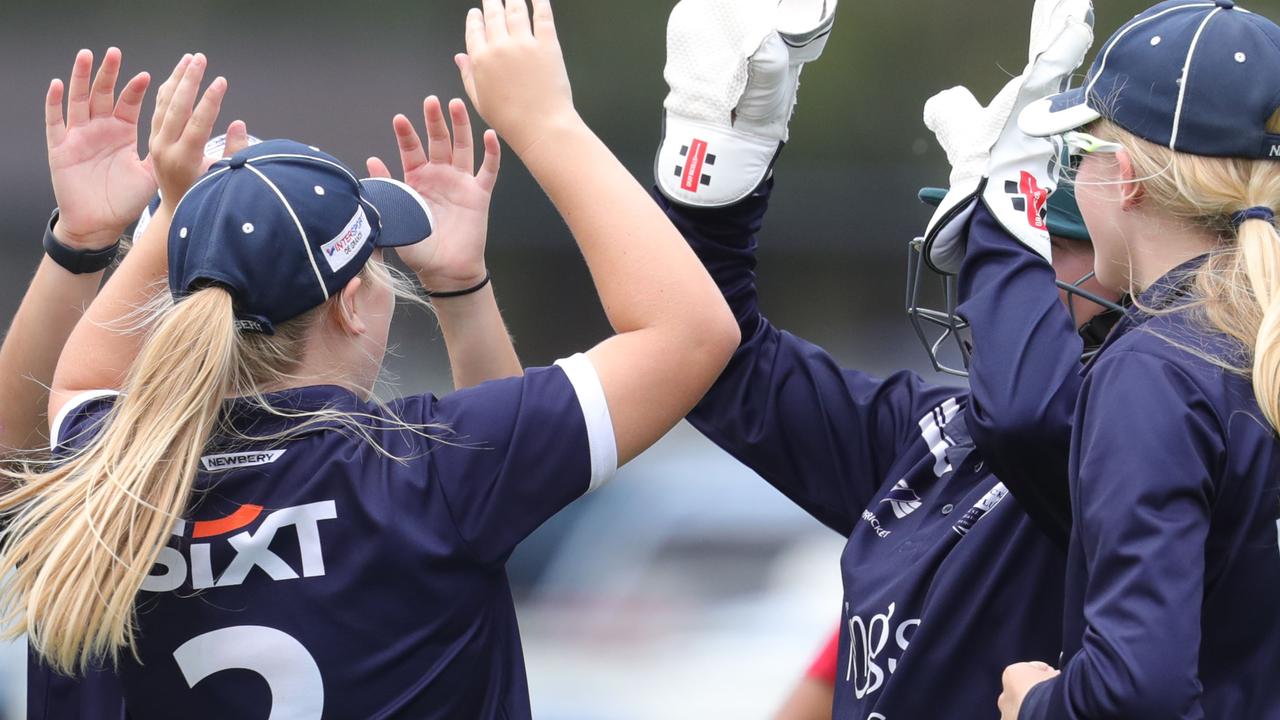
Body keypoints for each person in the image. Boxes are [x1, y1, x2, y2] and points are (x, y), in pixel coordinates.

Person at [1, 2, 740, 718]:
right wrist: (544, 126)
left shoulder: (109, 481)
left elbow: (70, 389)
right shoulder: (430, 472)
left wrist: (149, 221)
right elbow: (691, 333)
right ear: (351, 304)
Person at [654, 0, 1109, 716]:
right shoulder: (941, 435)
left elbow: (1035, 423)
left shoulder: (1142, 445)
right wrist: (716, 169)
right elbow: (713, 363)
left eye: (1003, 243)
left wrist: (1014, 201)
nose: (971, 275)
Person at [999, 1, 1280, 717]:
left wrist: (1038, 705)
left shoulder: (1157, 370)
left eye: (1074, 157)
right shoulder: (1248, 341)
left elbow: (1138, 688)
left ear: (1120, 177)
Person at [775, 179, 1120, 720]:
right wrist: (713, 207)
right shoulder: (945, 430)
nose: (985, 280)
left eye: (1030, 250)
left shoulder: (1124, 446)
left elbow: (1024, 420)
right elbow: (724, 361)